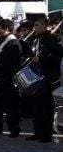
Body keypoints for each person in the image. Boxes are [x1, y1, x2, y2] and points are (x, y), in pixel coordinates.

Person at [27, 15, 63, 143]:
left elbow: (57, 56)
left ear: (44, 25)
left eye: (37, 25)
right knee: (36, 106)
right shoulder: (35, 39)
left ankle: (46, 134)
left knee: (46, 106)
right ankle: (37, 132)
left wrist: (41, 59)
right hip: (36, 75)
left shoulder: (52, 39)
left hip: (47, 77)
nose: (34, 28)